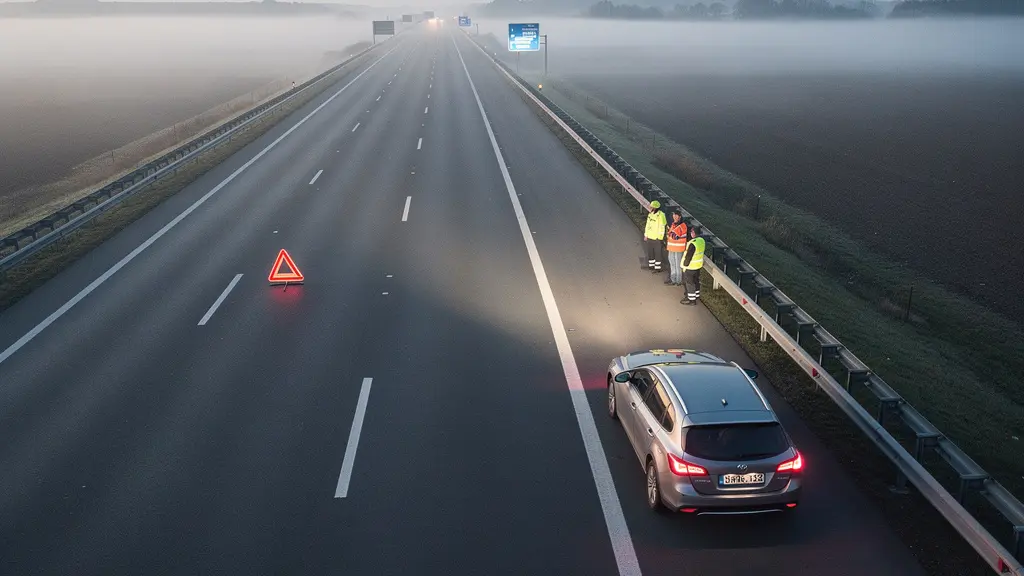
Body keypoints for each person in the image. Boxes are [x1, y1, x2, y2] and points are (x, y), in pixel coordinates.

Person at [681, 226, 705, 306]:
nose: (691, 233)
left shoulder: (693, 243)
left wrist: (685, 265)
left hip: (690, 267)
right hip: (697, 266)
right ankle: (696, 296)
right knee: (696, 281)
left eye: (691, 232)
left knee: (689, 283)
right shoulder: (701, 241)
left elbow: (688, 256)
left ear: (694, 233)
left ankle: (691, 300)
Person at [664, 212, 688, 286]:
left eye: (676, 215)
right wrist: (670, 232)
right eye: (673, 215)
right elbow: (670, 234)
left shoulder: (682, 226)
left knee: (677, 265)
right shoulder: (673, 224)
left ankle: (678, 281)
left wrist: (670, 231)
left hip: (678, 248)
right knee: (672, 264)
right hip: (671, 248)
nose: (674, 216)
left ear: (680, 217)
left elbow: (675, 236)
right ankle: (673, 280)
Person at [643, 201, 667, 274]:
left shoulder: (661, 215)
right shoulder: (650, 214)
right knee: (650, 252)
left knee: (657, 253)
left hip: (657, 238)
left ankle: (657, 268)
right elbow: (648, 225)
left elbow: (662, 227)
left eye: (652, 206)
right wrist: (646, 235)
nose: (650, 207)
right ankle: (651, 266)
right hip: (650, 236)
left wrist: (660, 237)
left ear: (655, 207)